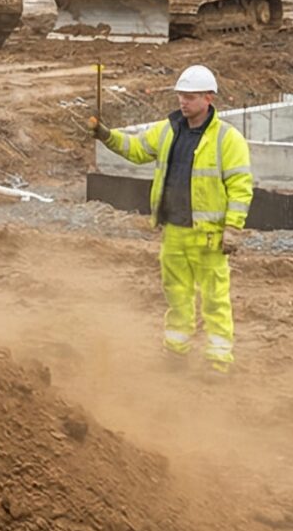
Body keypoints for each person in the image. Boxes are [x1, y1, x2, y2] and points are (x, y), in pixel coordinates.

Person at [93, 63, 253, 373]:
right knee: (177, 297)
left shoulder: (227, 139)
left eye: (190, 97)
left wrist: (232, 228)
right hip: (174, 233)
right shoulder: (168, 130)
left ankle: (218, 361)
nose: (183, 102)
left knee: (215, 301)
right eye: (181, 96)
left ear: (209, 98)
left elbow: (240, 187)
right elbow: (136, 149)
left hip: (208, 236)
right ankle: (176, 353)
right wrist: (106, 136)